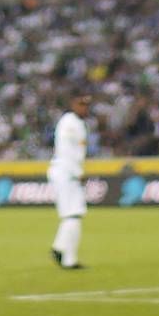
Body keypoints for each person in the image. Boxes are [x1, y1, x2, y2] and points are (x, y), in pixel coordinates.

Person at [48, 94, 92, 270]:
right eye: (81, 104)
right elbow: (66, 151)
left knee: (74, 214)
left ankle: (62, 252)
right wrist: (78, 172)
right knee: (73, 214)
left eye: (86, 105)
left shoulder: (79, 123)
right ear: (73, 104)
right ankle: (64, 254)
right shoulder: (69, 123)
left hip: (69, 173)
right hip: (65, 173)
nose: (84, 108)